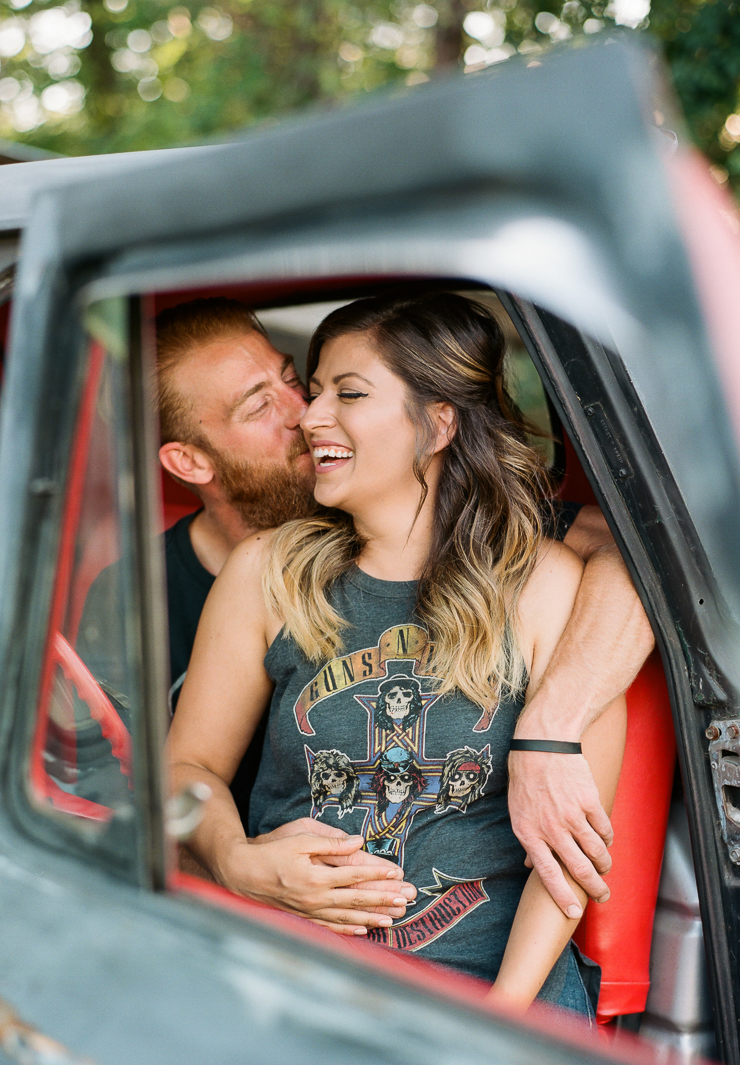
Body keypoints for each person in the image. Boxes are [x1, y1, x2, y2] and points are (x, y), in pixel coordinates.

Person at [168, 291, 626, 1015]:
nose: (310, 417)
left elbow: (569, 861)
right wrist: (235, 858)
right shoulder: (265, 571)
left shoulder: (545, 584)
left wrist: (500, 1020)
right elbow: (184, 770)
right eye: (313, 391)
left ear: (438, 422)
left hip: (498, 995)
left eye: (348, 393)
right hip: (288, 987)